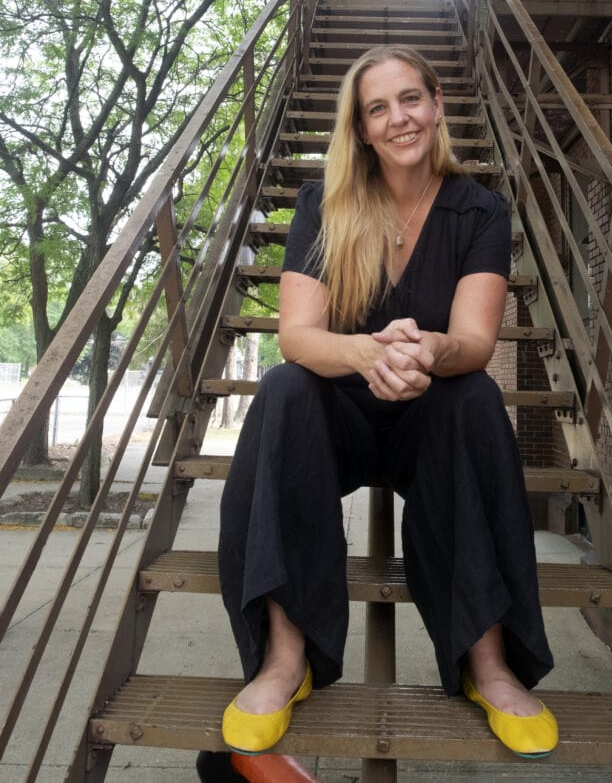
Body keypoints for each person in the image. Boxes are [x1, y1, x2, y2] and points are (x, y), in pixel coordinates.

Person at [215, 45, 558, 771]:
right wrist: (370, 353)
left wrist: (423, 351)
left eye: (410, 99)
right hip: (335, 420)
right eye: (378, 107)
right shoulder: (324, 203)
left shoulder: (481, 209)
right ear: (362, 128)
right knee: (282, 387)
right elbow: (299, 336)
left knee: (476, 395)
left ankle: (486, 659)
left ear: (437, 104)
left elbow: (473, 338)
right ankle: (285, 656)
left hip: (428, 421)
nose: (398, 117)